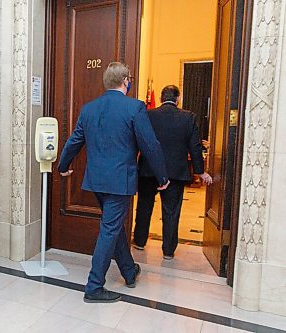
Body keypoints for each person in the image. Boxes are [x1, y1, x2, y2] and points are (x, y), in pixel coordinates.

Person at [58, 62, 170, 303]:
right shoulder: (134, 107)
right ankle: (94, 286)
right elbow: (150, 145)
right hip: (120, 181)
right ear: (126, 81)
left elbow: (74, 141)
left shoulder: (89, 109)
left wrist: (63, 166)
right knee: (109, 229)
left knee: (113, 224)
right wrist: (162, 177)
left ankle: (129, 271)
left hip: (97, 181)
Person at [133, 85, 213, 259]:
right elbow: (195, 146)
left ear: (161, 98)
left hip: (148, 170)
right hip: (175, 173)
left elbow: (138, 140)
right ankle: (168, 251)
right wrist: (200, 171)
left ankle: (139, 242)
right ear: (178, 99)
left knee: (144, 207)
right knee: (171, 211)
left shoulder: (148, 114)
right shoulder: (188, 117)